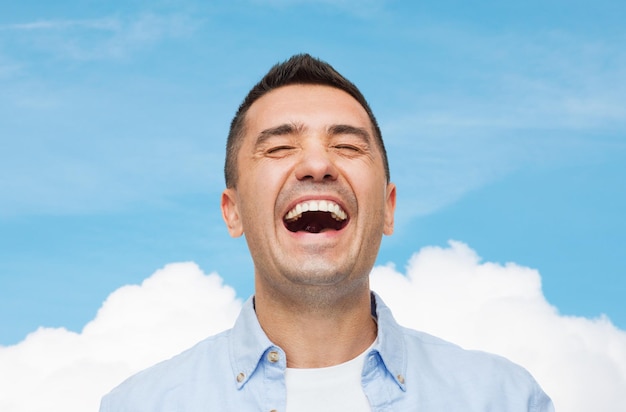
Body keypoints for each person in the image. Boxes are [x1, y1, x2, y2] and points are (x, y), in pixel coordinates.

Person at [99, 54, 554, 411]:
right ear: (232, 212)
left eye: (347, 146)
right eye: (279, 147)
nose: (318, 165)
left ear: (388, 210)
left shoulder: (504, 399)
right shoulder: (141, 405)